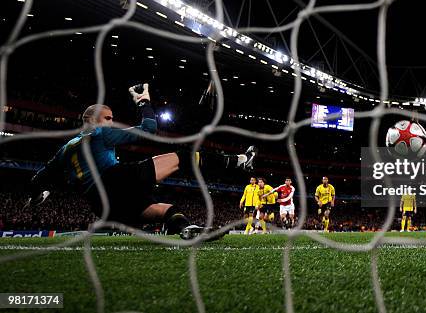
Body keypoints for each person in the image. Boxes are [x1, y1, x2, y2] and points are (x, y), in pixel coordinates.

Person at [25, 83, 256, 240]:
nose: (111, 122)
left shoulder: (65, 148)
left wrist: (37, 196)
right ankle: (239, 161)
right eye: (108, 118)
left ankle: (187, 230)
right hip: (114, 180)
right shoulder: (99, 133)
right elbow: (149, 128)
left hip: (101, 205)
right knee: (184, 157)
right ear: (92, 120)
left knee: (161, 210)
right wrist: (143, 102)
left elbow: (39, 178)